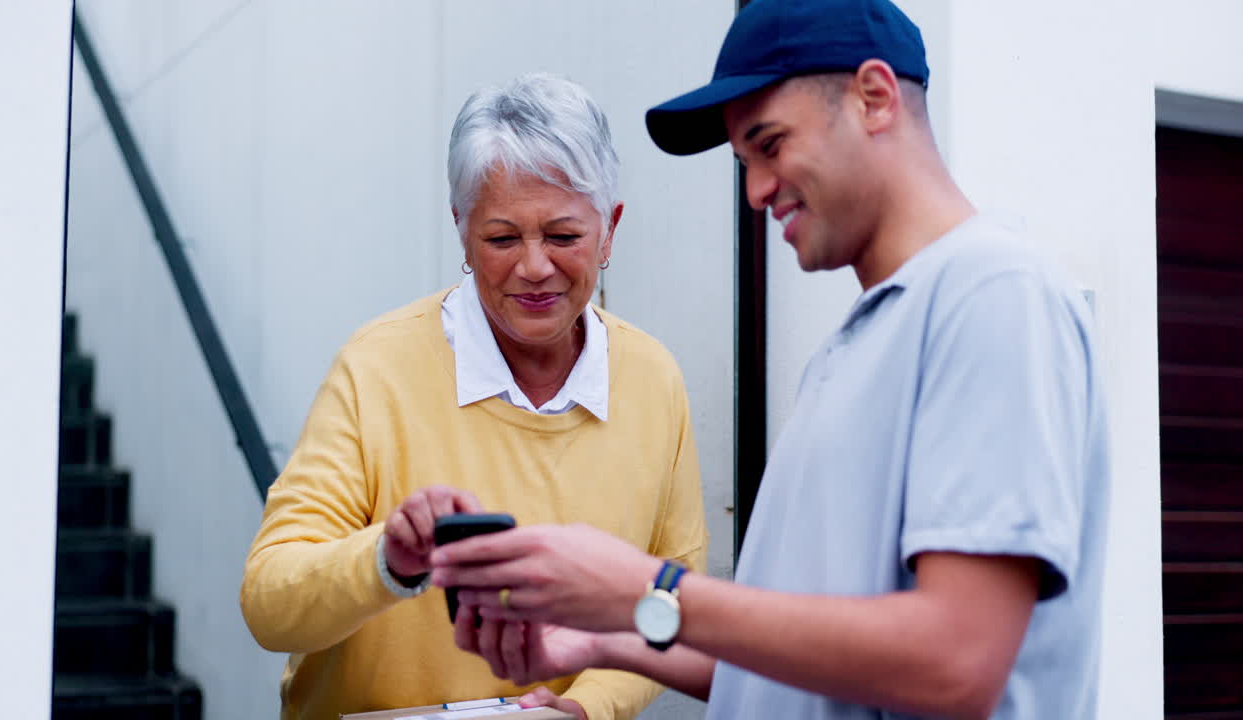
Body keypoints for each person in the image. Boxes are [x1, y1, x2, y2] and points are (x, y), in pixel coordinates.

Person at [430, 1, 1110, 718]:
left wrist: (650, 590)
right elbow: (807, 664)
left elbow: (956, 660)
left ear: (874, 98)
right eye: (744, 161)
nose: (755, 191)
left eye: (771, 143)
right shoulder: (856, 347)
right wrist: (603, 640)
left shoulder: (993, 296)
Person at [239, 73, 708, 720]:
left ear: (610, 231)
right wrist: (386, 560)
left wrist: (586, 707)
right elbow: (269, 604)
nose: (536, 266)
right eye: (502, 238)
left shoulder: (652, 377)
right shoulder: (378, 366)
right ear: (460, 229)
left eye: (564, 236)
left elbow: (671, 598)